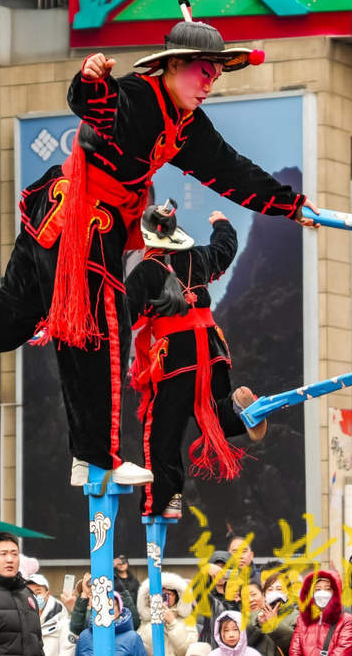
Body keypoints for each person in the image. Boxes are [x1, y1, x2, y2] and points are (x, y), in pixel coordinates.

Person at [0, 0, 316, 489]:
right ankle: (96, 456)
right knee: (101, 327)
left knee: (2, 324)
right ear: (172, 66)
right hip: (81, 221)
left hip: (64, 219)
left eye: (216, 75)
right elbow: (93, 104)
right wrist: (91, 75)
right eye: (204, 71)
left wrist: (291, 205)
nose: (210, 83)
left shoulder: (188, 126)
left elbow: (232, 171)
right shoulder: (139, 96)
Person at [128, 206, 269, 517]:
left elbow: (125, 314)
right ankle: (246, 416)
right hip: (213, 352)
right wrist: (220, 222)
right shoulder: (199, 258)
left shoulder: (147, 271)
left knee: (162, 433)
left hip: (176, 359)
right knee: (211, 410)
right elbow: (226, 247)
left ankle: (166, 502)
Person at [289, 571, 352, 656]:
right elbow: (295, 650)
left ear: (336, 591)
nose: (322, 592)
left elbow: (344, 650)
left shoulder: (346, 620)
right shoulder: (303, 619)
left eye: (328, 589)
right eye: (317, 589)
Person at [136, 572, 197, 656]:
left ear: (177, 596)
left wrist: (172, 623)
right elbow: (144, 649)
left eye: (167, 594)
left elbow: (186, 650)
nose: (163, 598)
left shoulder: (187, 619)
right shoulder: (146, 620)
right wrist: (155, 619)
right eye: (159, 595)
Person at [74, 592, 145, 656]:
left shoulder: (133, 638)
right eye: (103, 605)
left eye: (112, 605)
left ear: (119, 609)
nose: (108, 610)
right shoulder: (84, 636)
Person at [246, 573, 298, 656]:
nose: (274, 592)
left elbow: (294, 645)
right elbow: (245, 643)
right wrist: (258, 624)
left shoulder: (297, 617)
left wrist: (274, 625)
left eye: (279, 589)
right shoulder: (254, 615)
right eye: (270, 589)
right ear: (264, 594)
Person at [26, 574, 75, 656]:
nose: (34, 596)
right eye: (29, 593)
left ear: (47, 594)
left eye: (38, 592)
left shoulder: (63, 621)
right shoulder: (20, 619)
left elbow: (68, 651)